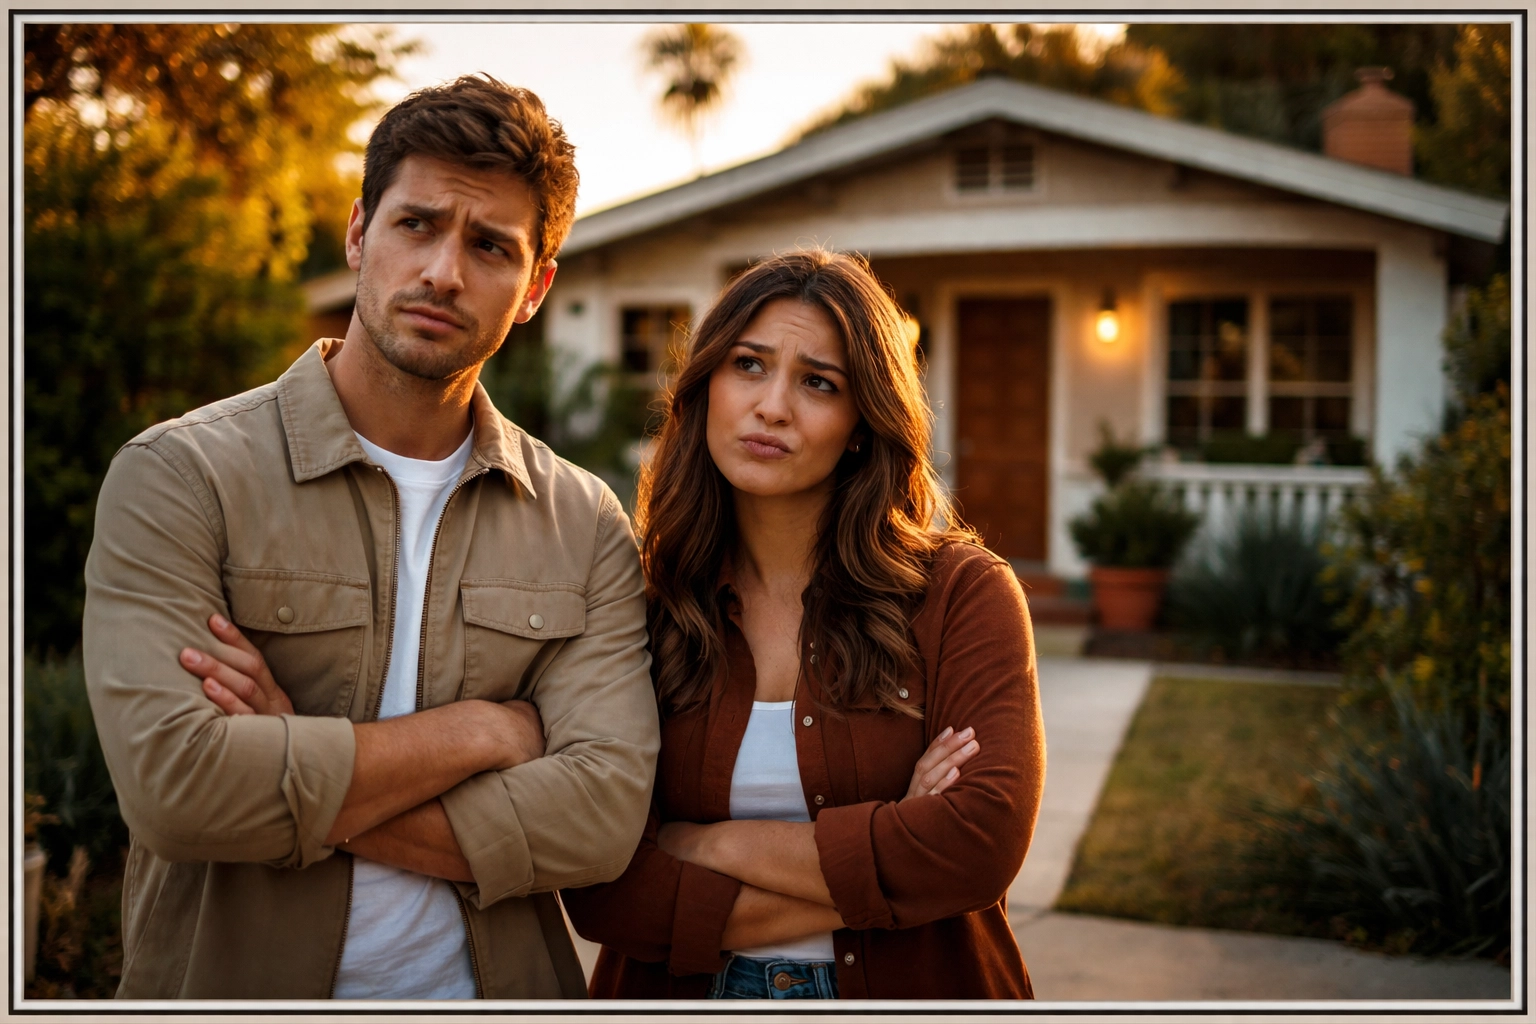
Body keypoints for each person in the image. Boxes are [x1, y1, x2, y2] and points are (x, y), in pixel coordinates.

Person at [82, 75, 659, 1000]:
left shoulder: (583, 521)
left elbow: (598, 821)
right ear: (359, 233)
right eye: (417, 225)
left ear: (536, 287)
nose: (443, 272)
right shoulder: (182, 476)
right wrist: (481, 731)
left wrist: (288, 749)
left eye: (490, 246)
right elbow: (176, 786)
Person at [561, 249, 1047, 1000]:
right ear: (707, 387)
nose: (774, 406)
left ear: (862, 424)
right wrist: (891, 845)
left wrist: (704, 845)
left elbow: (978, 845)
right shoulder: (641, 602)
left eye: (819, 383)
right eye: (749, 366)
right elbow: (603, 889)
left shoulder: (962, 595)